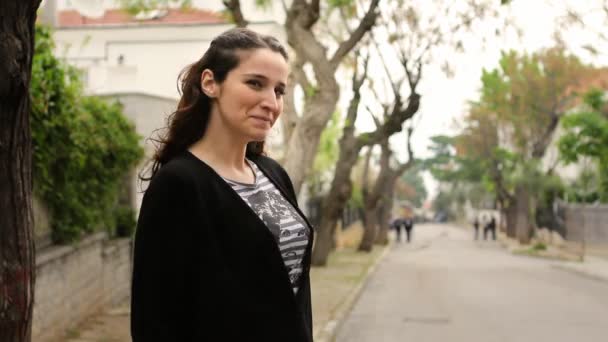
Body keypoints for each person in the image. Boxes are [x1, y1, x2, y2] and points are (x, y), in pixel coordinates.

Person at [131, 28, 314, 342]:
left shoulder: (273, 173)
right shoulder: (179, 184)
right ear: (210, 83)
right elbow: (154, 319)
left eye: (279, 90)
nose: (271, 102)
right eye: (255, 83)